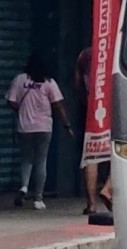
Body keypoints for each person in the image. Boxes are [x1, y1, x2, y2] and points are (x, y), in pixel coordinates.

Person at [5, 52, 73, 209]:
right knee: (41, 161)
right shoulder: (49, 83)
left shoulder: (20, 79)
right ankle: (38, 198)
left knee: (26, 159)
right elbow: (58, 106)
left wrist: (22, 111)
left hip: (25, 127)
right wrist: (67, 125)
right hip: (43, 127)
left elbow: (11, 102)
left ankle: (23, 186)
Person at [74, 46, 112, 214]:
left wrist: (84, 102)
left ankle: (91, 204)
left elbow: (77, 83)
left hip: (90, 109)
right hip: (111, 107)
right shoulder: (114, 51)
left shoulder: (84, 54)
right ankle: (108, 187)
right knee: (121, 151)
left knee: (91, 154)